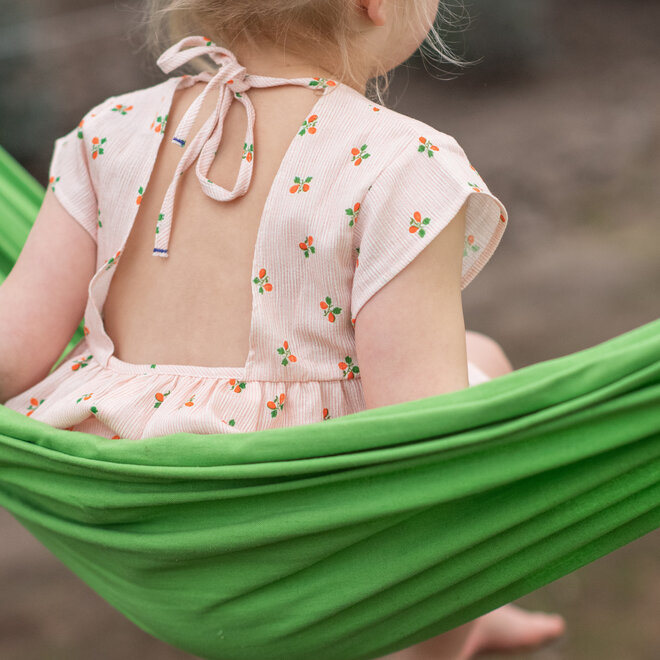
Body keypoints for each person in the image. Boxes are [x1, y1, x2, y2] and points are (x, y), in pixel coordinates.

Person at [0, 0, 567, 657]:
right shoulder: (401, 166)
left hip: (138, 511)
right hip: (297, 522)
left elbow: (12, 353)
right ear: (377, 4)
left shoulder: (112, 130)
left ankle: (484, 612)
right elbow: (422, 439)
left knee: (479, 356)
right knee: (482, 394)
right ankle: (442, 639)